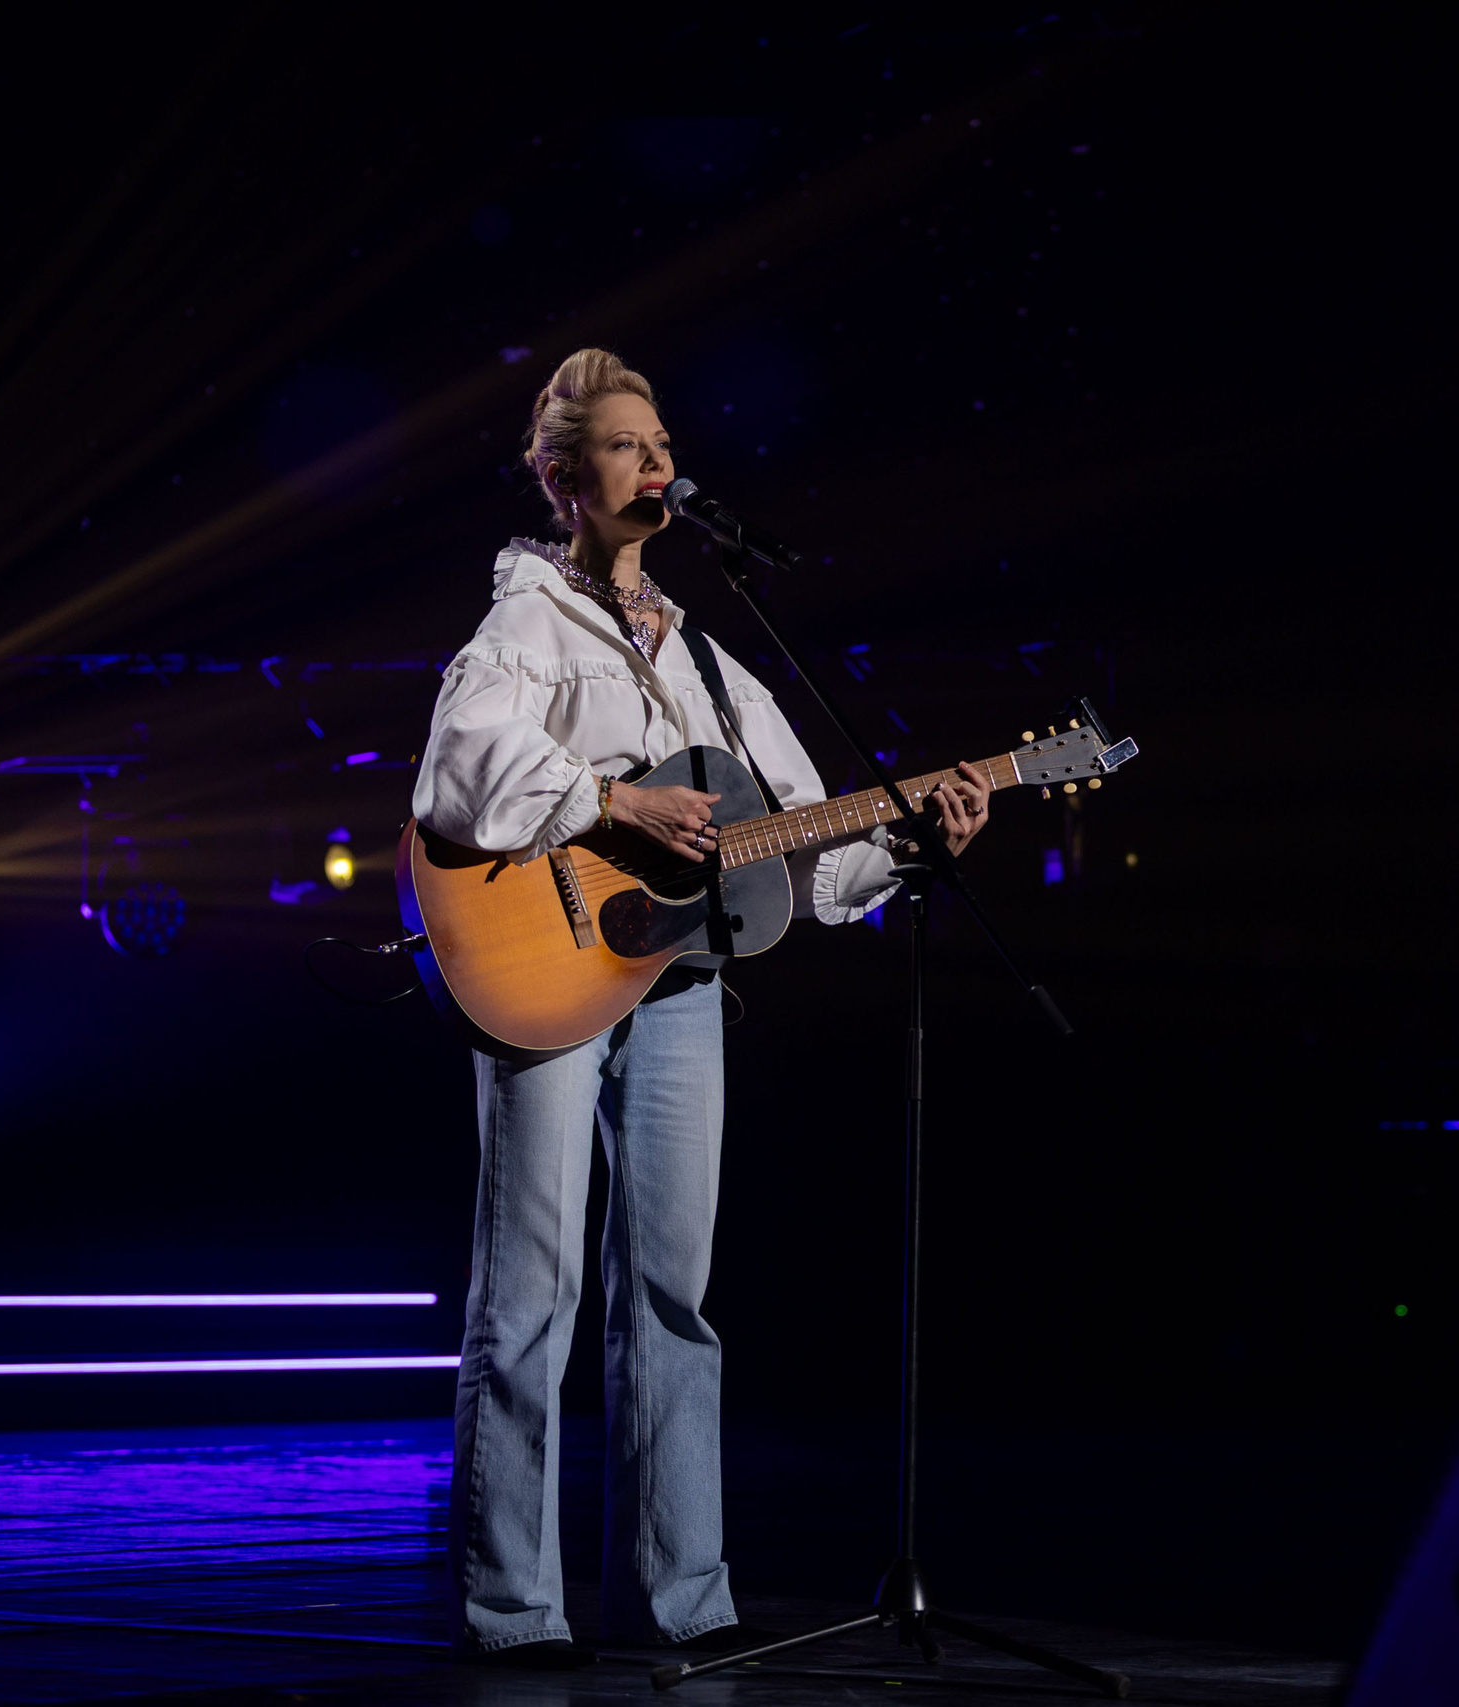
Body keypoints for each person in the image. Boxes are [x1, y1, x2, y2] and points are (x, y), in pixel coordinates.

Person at [411, 348, 994, 1667]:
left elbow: (808, 849)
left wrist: (917, 836)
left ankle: (687, 1597)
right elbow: (459, 775)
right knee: (530, 1296)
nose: (656, 461)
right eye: (625, 444)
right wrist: (613, 802)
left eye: (662, 439)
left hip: (681, 990)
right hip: (548, 977)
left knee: (674, 1295)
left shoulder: (716, 664)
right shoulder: (527, 624)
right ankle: (515, 1610)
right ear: (566, 479)